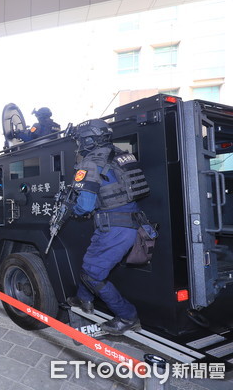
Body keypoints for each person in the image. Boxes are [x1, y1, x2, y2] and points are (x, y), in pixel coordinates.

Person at [66, 119, 149, 335]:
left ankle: (127, 316)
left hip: (115, 227)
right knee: (90, 264)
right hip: (129, 222)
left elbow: (85, 205)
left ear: (88, 139)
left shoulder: (91, 162)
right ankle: (84, 299)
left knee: (93, 273)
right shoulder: (120, 154)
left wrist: (71, 210)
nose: (80, 144)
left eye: (81, 139)